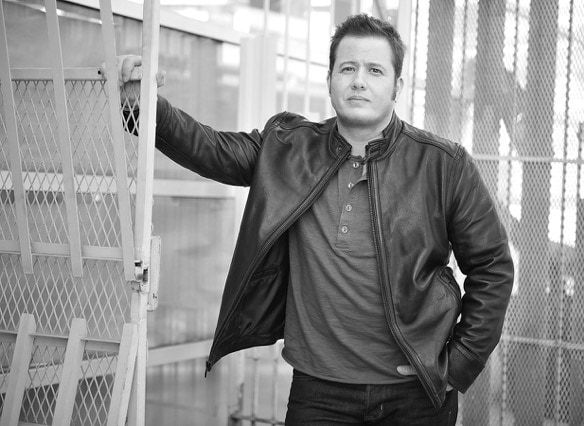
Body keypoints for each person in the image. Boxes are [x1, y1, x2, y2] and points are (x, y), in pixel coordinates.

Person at [119, 13, 513, 425]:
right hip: (318, 393)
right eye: (347, 68)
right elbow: (211, 149)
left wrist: (458, 365)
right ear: (329, 80)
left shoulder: (443, 164)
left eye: (374, 70)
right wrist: (142, 105)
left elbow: (493, 266)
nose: (358, 81)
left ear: (397, 86)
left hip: (415, 395)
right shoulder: (288, 149)